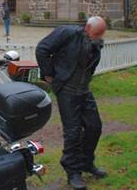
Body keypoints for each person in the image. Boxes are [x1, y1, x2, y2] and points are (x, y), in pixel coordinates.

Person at [35, 16, 108, 190]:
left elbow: (90, 65)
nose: (100, 37)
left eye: (101, 34)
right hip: (66, 90)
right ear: (88, 28)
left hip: (84, 89)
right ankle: (73, 172)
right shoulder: (67, 33)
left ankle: (86, 163)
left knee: (94, 127)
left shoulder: (95, 42)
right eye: (97, 33)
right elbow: (42, 49)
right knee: (73, 133)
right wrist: (49, 74)